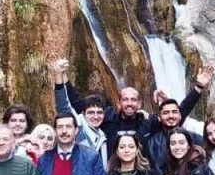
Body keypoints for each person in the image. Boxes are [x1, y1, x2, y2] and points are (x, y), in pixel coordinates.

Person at [52, 58, 205, 166]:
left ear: (140, 103)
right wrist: (64, 79)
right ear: (119, 103)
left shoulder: (148, 122)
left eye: (133, 100)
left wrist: (198, 89)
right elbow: (80, 105)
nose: (129, 103)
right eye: (125, 100)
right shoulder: (107, 118)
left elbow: (175, 117)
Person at [39, 114, 108, 175]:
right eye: (60, 127)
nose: (64, 131)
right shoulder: (44, 160)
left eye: (68, 126)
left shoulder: (91, 157)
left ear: (76, 131)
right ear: (55, 132)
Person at [144, 98, 206, 169]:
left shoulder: (196, 139)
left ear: (180, 116)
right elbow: (150, 170)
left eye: (174, 112)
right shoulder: (152, 144)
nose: (171, 116)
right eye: (166, 113)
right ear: (159, 117)